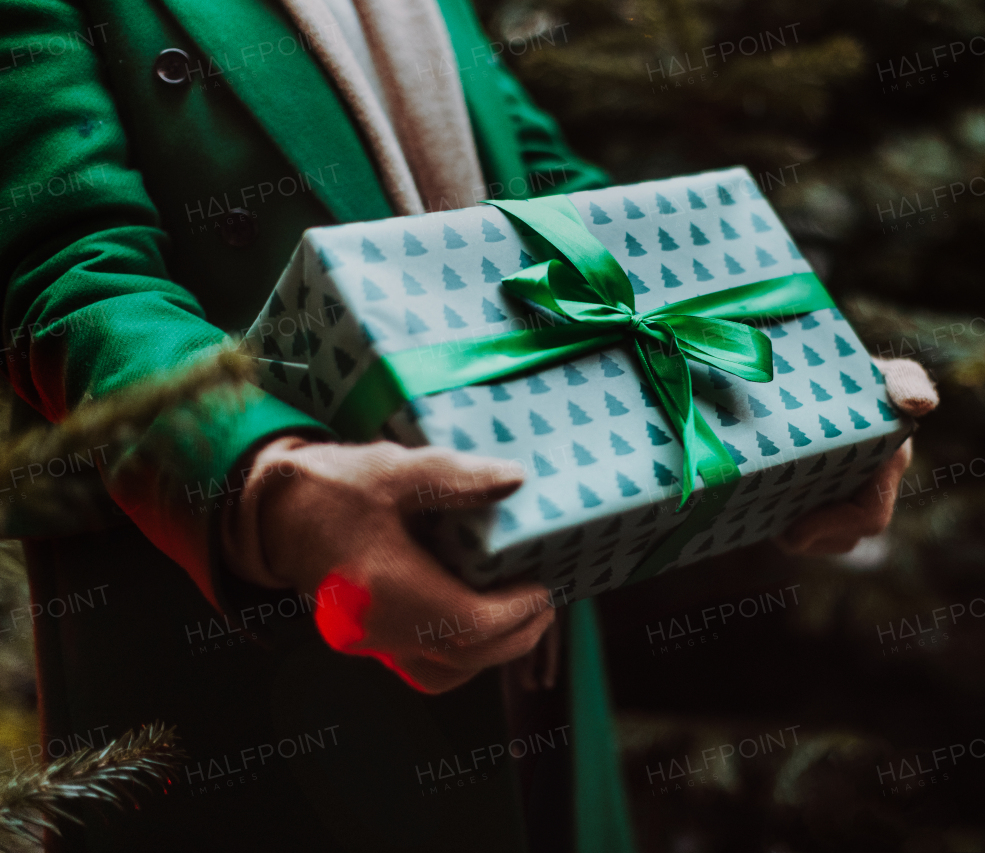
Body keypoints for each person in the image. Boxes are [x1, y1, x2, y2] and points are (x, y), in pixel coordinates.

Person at [0, 0, 937, 850]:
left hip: (538, 614)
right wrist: (270, 484)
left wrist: (803, 388)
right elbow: (68, 278)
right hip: (246, 669)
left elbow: (551, 196)